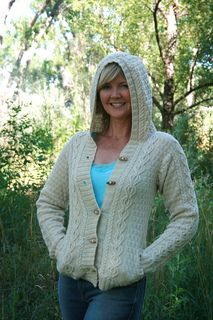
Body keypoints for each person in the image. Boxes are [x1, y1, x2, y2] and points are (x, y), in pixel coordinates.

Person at [36, 52, 199, 320]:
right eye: (107, 86)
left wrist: (143, 260)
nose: (116, 94)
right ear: (97, 92)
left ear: (139, 89)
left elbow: (187, 216)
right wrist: (60, 247)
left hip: (119, 286)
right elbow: (49, 203)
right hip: (70, 282)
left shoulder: (162, 147)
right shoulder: (78, 145)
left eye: (124, 85)